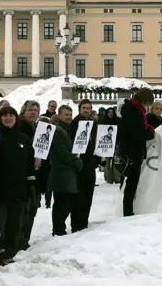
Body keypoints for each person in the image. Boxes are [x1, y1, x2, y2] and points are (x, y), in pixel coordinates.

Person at [0, 106, 34, 267]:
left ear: (16, 118)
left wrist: (31, 183)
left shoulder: (24, 139)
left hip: (19, 188)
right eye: (4, 115)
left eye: (11, 115)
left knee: (15, 224)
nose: (8, 118)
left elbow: (29, 164)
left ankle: (9, 252)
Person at [118, 89, 155, 216]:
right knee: (131, 183)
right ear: (142, 101)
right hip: (131, 152)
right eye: (147, 103)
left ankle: (128, 210)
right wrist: (149, 134)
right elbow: (136, 133)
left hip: (134, 151)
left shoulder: (136, 110)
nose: (147, 107)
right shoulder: (133, 112)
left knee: (132, 183)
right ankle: (127, 211)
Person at [48, 114, 83, 236]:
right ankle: (58, 230)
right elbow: (61, 151)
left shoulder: (65, 129)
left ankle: (59, 229)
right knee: (61, 203)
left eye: (69, 115)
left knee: (66, 203)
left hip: (67, 171)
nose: (68, 117)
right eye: (65, 115)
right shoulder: (57, 131)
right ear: (59, 116)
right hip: (61, 171)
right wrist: (75, 161)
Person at [68, 99, 98, 231]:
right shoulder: (75, 123)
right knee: (78, 197)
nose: (86, 110)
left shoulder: (93, 123)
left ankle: (84, 222)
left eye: (88, 108)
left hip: (91, 164)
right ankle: (77, 224)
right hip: (80, 164)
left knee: (88, 196)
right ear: (79, 109)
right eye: (84, 108)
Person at [18, 100, 41, 251]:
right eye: (30, 110)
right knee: (24, 212)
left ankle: (24, 240)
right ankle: (20, 241)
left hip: (35, 174)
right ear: (23, 112)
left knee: (31, 210)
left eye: (36, 110)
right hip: (23, 176)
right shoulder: (21, 128)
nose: (33, 112)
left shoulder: (36, 128)